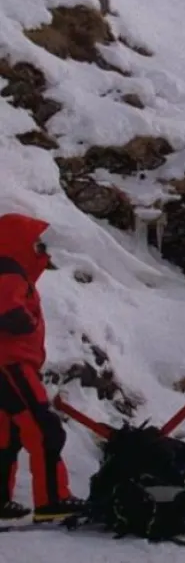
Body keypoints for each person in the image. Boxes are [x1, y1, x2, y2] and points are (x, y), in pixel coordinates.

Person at [0, 213, 84, 521]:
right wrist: (25, 320)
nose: (41, 250)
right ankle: (52, 501)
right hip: (12, 363)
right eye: (35, 243)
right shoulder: (8, 272)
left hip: (7, 364)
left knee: (6, 435)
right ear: (16, 242)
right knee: (45, 429)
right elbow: (8, 311)